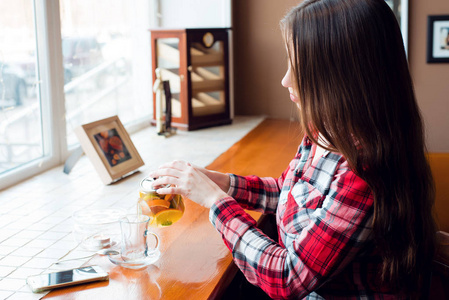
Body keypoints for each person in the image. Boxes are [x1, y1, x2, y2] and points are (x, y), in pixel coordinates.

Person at [149, 0, 437, 298]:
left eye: (298, 66)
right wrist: (221, 182)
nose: (285, 79)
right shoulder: (323, 131)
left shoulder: (367, 169)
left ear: (341, 75)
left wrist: (215, 201)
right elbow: (291, 192)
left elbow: (287, 279)